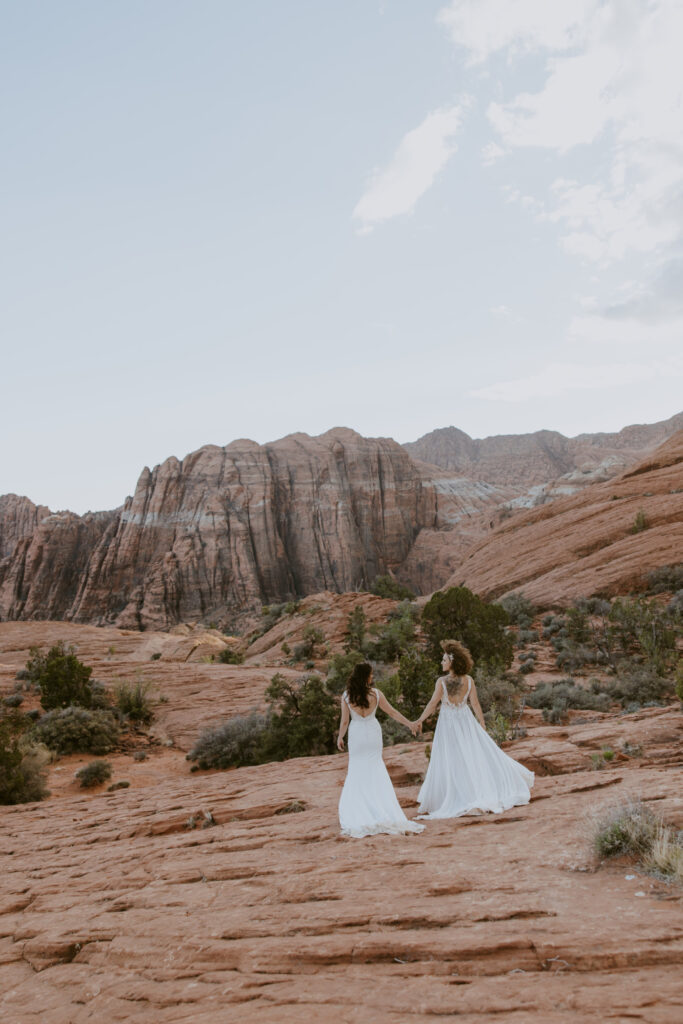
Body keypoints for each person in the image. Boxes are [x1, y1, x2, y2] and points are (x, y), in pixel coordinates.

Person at [415, 639, 534, 819]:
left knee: (452, 757)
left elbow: (433, 704)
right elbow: (475, 704)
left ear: (452, 662)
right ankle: (471, 791)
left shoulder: (441, 682)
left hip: (448, 724)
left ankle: (457, 795)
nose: (441, 662)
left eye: (444, 660)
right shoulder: (468, 680)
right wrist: (481, 725)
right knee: (470, 755)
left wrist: (419, 720)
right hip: (465, 721)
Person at [338, 661, 425, 838]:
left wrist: (340, 736)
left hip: (357, 734)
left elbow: (345, 721)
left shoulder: (347, 696)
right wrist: (410, 724)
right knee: (376, 767)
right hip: (372, 732)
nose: (372, 677)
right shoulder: (376, 695)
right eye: (371, 674)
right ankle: (380, 806)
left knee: (357, 768)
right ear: (366, 677)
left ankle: (361, 808)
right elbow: (392, 712)